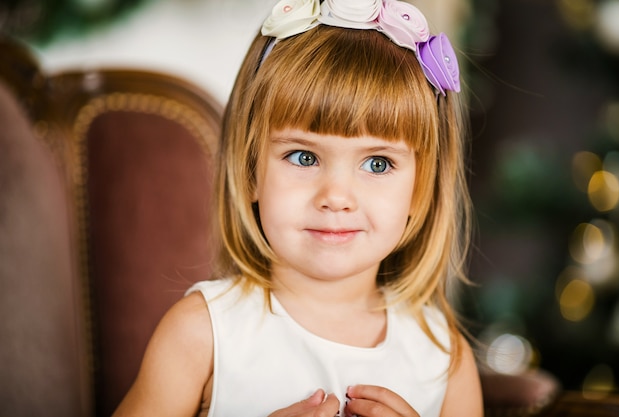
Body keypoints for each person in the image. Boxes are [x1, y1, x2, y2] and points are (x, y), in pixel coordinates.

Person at [113, 0, 483, 416]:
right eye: (304, 157)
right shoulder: (203, 334)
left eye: (377, 163)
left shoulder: (444, 359)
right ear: (250, 169)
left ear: (420, 190)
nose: (336, 197)